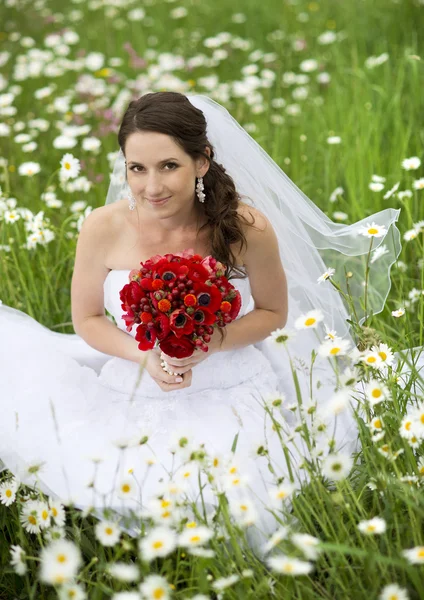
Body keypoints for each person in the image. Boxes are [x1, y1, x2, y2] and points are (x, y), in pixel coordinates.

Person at [0, 91, 406, 543]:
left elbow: (273, 312)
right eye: (137, 168)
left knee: (234, 492)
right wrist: (146, 355)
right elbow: (89, 319)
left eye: (168, 165)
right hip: (135, 379)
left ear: (202, 162)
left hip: (230, 381)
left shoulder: (245, 228)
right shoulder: (102, 226)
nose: (151, 186)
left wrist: (211, 343)